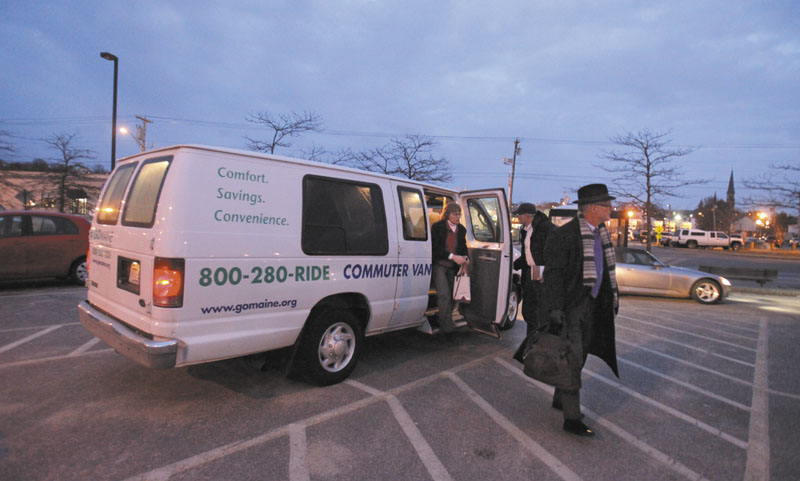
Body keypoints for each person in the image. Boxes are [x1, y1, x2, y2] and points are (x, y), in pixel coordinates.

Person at [542, 183, 620, 437]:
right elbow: (553, 274)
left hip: (593, 306)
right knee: (573, 359)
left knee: (581, 355)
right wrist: (555, 308)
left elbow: (604, 272)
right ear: (594, 208)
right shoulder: (564, 235)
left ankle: (560, 397)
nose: (611, 209)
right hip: (570, 307)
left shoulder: (601, 234)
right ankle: (571, 418)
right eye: (607, 205)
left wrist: (610, 300)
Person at [512, 203, 554, 336]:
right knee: (528, 310)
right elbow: (527, 254)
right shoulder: (525, 230)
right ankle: (531, 339)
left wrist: (547, 271)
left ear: (526, 215)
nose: (517, 217)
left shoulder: (546, 228)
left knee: (540, 310)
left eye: (519, 215)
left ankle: (537, 340)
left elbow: (555, 252)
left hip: (542, 274)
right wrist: (513, 265)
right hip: (530, 272)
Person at [431, 202, 469, 333]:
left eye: (459, 214)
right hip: (440, 265)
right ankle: (446, 328)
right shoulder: (438, 227)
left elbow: (463, 247)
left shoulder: (461, 229)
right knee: (444, 295)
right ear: (448, 214)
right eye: (455, 214)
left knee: (454, 295)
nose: (458, 217)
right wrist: (453, 256)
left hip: (453, 267)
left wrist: (465, 258)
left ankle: (443, 318)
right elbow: (436, 249)